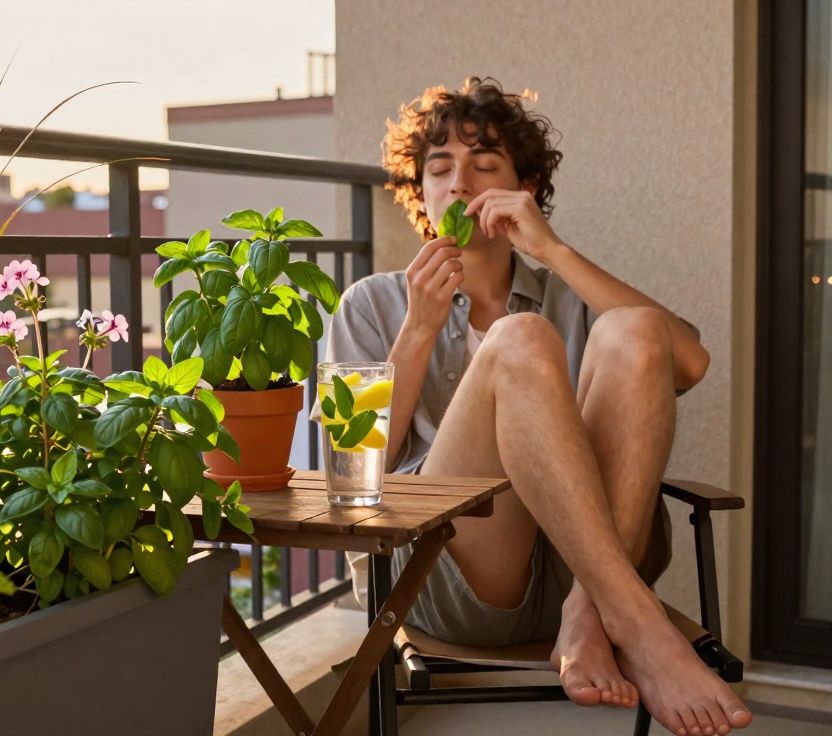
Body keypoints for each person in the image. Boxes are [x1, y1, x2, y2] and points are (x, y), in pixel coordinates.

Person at [322, 77, 752, 736]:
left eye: (484, 165)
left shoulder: (568, 293)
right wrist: (419, 330)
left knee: (636, 330)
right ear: (422, 195)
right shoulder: (372, 304)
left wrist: (550, 249)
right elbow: (350, 465)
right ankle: (637, 623)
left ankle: (592, 612)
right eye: (439, 169)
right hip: (455, 575)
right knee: (519, 339)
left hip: (576, 572)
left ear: (523, 189)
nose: (459, 182)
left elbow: (689, 362)